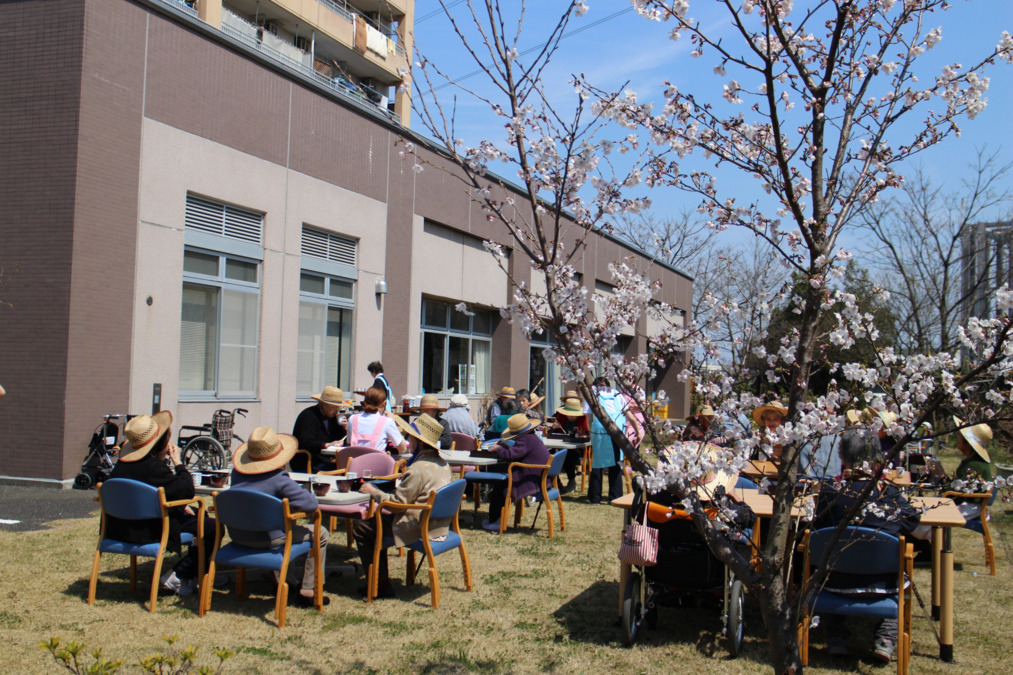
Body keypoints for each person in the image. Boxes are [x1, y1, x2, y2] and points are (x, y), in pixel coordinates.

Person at [811, 425, 921, 663]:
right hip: (883, 584)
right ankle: (886, 638)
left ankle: (837, 637)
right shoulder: (887, 492)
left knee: (825, 561)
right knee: (904, 572)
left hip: (834, 581)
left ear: (841, 455)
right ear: (877, 456)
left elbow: (815, 526)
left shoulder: (832, 491)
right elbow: (912, 520)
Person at [106, 411, 215, 597]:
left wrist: (179, 505)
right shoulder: (153, 468)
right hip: (152, 530)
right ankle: (181, 573)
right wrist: (178, 463)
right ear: (160, 443)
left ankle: (199, 571)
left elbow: (147, 495)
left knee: (198, 515)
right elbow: (186, 490)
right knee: (212, 526)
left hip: (121, 528)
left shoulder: (120, 467)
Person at [228, 426, 330, 608]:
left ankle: (285, 578)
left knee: (288, 526)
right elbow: (310, 504)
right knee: (320, 532)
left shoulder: (236, 474)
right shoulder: (278, 478)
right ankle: (308, 589)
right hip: (267, 539)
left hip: (238, 536)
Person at [355, 414, 452, 598]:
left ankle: (379, 585)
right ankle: (379, 581)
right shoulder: (442, 463)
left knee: (363, 527)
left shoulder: (417, 469)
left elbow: (398, 506)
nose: (408, 440)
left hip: (418, 525)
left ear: (420, 442)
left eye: (411, 437)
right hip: (438, 524)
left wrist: (373, 491)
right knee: (376, 523)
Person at [482, 414, 550, 532]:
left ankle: (496, 521)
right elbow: (518, 451)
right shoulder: (531, 437)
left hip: (532, 481)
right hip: (540, 478)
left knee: (499, 486)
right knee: (501, 484)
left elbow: (510, 455)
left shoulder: (526, 440)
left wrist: (498, 449)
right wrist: (504, 446)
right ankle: (496, 519)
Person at [586, 377, 627, 505]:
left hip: (599, 429)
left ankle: (595, 497)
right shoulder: (617, 394)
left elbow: (588, 416)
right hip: (617, 429)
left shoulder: (592, 396)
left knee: (597, 464)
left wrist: (590, 431)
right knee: (616, 463)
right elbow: (625, 412)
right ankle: (615, 496)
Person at [292, 385, 348, 471]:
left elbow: (337, 437)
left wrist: (344, 429)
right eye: (335, 407)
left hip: (326, 459)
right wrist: (326, 444)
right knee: (341, 469)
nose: (337, 411)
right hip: (309, 460)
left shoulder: (332, 418)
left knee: (348, 466)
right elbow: (306, 441)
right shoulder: (308, 416)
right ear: (325, 405)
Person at [347, 386, 407, 454]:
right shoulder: (387, 422)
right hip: (377, 463)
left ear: (364, 403)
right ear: (383, 403)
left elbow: (349, 443)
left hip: (355, 463)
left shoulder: (352, 419)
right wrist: (393, 422)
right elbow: (402, 448)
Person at [553, 397, 589, 493]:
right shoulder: (560, 417)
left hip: (578, 446)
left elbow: (587, 433)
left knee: (568, 455)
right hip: (562, 444)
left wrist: (581, 434)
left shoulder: (583, 418)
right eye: (569, 414)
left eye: (574, 415)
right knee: (552, 453)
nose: (571, 417)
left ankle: (571, 480)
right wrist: (554, 427)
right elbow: (553, 431)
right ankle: (556, 482)